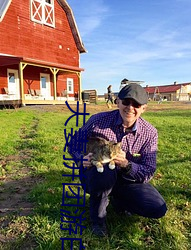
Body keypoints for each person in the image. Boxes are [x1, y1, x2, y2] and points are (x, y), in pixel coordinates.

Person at [69, 83, 167, 237]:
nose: (130, 107)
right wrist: (81, 158)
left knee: (157, 207)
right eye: (126, 102)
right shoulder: (97, 121)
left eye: (136, 104)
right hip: (98, 173)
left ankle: (119, 200)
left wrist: (127, 165)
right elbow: (74, 142)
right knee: (105, 170)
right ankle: (98, 219)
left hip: (128, 179)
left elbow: (148, 171)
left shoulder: (150, 133)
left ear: (144, 108)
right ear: (117, 102)